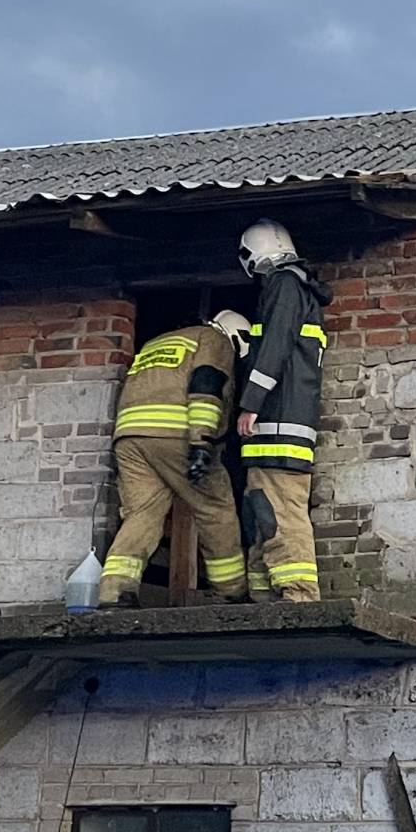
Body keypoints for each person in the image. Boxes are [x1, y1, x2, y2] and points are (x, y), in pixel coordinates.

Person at [97, 310, 254, 608]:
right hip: (175, 434)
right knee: (215, 509)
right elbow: (206, 384)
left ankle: (114, 593)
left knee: (142, 514)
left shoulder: (156, 343)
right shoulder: (214, 340)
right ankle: (230, 591)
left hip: (130, 437)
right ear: (236, 337)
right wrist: (201, 441)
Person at [234, 219, 331, 601]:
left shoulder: (285, 285)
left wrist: (250, 403)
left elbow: (274, 347)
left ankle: (299, 595)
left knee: (281, 512)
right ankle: (264, 597)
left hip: (278, 422)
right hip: (280, 425)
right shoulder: (298, 289)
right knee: (261, 511)